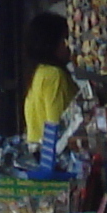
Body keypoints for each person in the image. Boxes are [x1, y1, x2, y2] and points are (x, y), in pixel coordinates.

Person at [22, 11, 74, 148]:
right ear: (52, 44)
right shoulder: (54, 76)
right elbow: (61, 131)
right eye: (66, 39)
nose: (70, 45)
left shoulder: (38, 74)